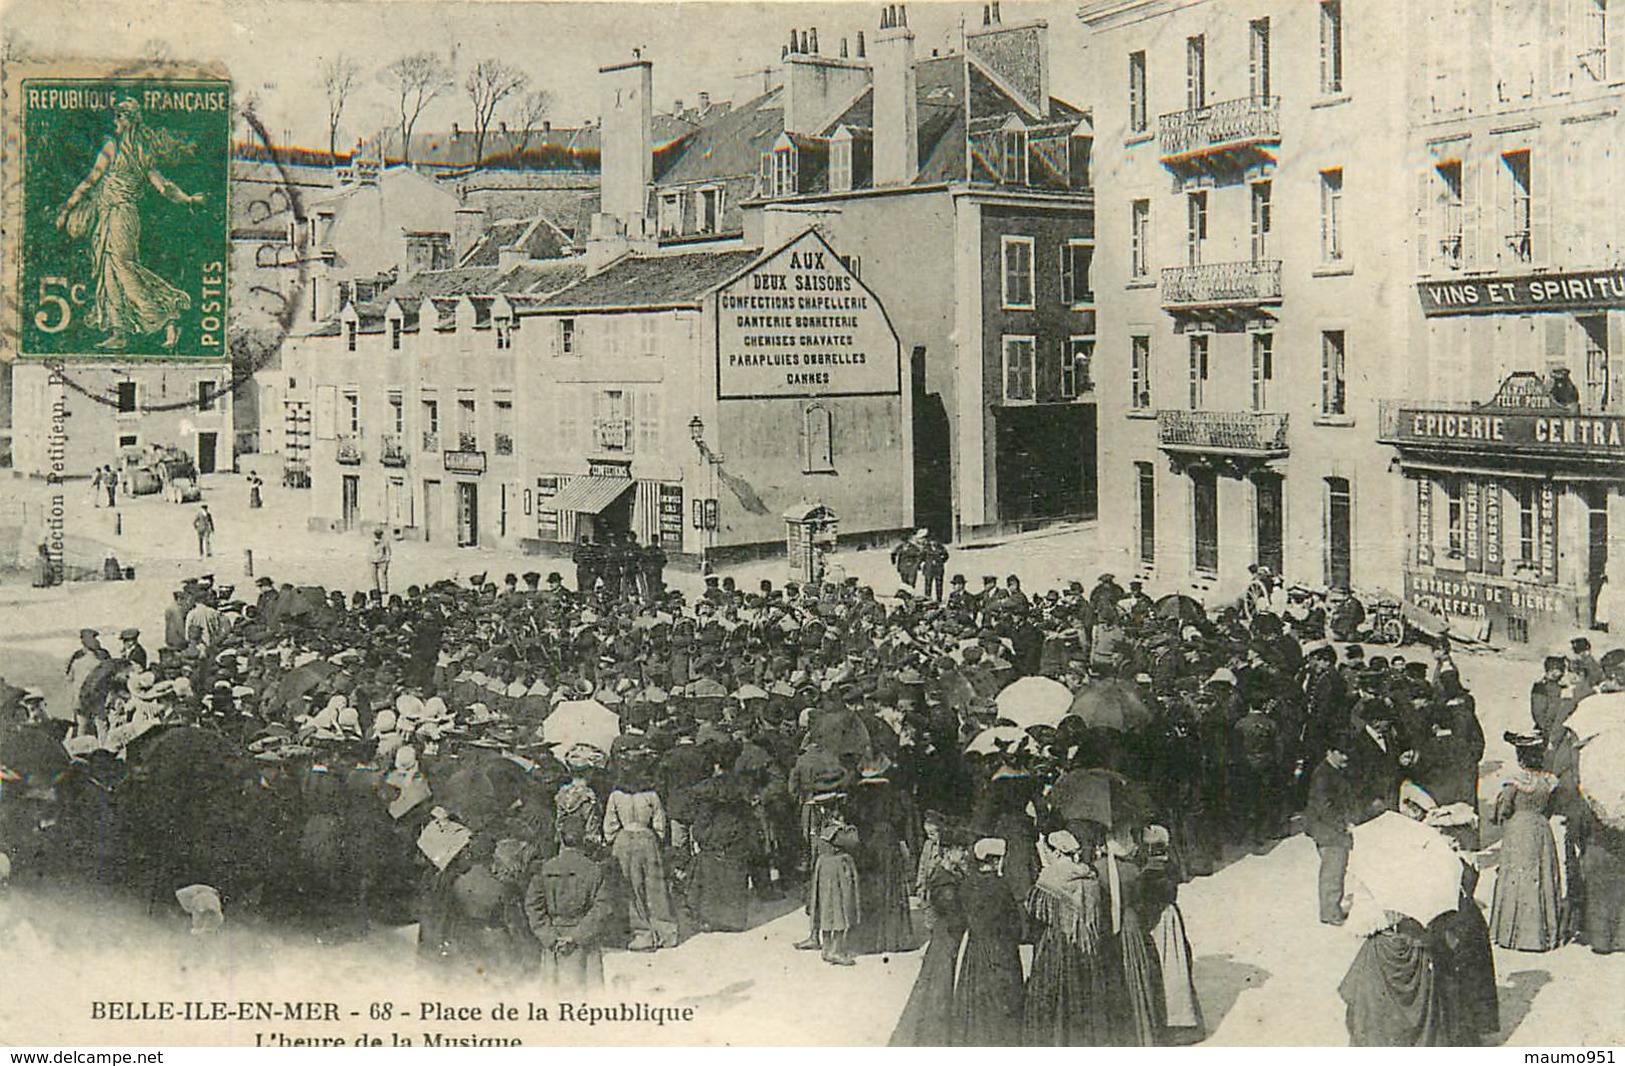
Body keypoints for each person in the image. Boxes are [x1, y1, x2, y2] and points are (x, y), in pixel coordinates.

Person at [55, 98, 204, 351]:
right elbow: (164, 187)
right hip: (116, 216)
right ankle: (121, 331)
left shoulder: (114, 147)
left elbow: (91, 179)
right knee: (110, 271)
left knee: (122, 269)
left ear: (127, 119)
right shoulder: (143, 153)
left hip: (119, 216)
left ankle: (165, 313)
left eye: (118, 117)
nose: (115, 122)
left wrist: (67, 208)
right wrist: (187, 199)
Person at [1023, 829, 1114, 1046]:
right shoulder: (1089, 875)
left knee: (1055, 992)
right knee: (1084, 991)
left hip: (1058, 942)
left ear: (1056, 852)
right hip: (1086, 944)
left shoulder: (1051, 876)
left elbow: (1035, 910)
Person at [524, 815, 619, 991]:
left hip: (554, 943)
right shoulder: (594, 870)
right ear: (583, 838)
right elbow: (602, 908)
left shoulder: (545, 869)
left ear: (561, 838)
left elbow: (533, 907)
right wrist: (576, 937)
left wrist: (550, 937)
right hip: (584, 942)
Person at [1489, 736, 1562, 952]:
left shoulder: (1515, 782)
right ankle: (1543, 934)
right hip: (1540, 828)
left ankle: (1513, 935)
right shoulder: (1549, 782)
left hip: (1519, 829)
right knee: (1541, 875)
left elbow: (1503, 809)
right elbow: (1551, 808)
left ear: (1521, 759)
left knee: (1516, 875)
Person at [950, 838, 1025, 1046]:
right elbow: (1015, 925)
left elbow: (959, 919)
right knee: (1004, 1001)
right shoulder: (1001, 887)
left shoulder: (966, 884)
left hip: (976, 949)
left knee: (977, 1001)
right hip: (1000, 950)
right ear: (994, 861)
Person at [602, 767, 679, 951]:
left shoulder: (616, 796)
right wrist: (656, 837)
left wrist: (613, 838)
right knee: (655, 887)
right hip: (647, 838)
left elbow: (609, 826)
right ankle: (665, 933)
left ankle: (640, 933)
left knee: (629, 888)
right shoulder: (651, 795)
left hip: (623, 839)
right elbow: (660, 824)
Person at [1305, 740, 1356, 925]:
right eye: (1341, 753)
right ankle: (1330, 913)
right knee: (1333, 868)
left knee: (1337, 867)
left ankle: (1332, 909)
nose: (1345, 758)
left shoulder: (1333, 770)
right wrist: (1343, 825)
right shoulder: (1323, 775)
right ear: (1330, 752)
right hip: (1326, 829)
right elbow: (1325, 807)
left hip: (1330, 827)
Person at [920, 535, 949, 603]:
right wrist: (926, 563)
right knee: (928, 585)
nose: (933, 542)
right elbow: (921, 557)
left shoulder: (941, 548)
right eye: (931, 541)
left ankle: (939, 599)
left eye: (935, 541)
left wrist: (941, 561)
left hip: (938, 569)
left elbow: (946, 556)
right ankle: (928, 598)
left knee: (939, 584)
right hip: (929, 569)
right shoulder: (926, 548)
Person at [369, 529, 392, 596]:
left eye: (379, 534)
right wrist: (370, 559)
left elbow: (388, 551)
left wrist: (387, 560)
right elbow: (369, 551)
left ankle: (384, 589)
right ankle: (376, 588)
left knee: (383, 575)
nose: (377, 535)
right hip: (373, 560)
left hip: (382, 560)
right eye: (376, 534)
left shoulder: (385, 541)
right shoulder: (371, 541)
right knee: (374, 575)